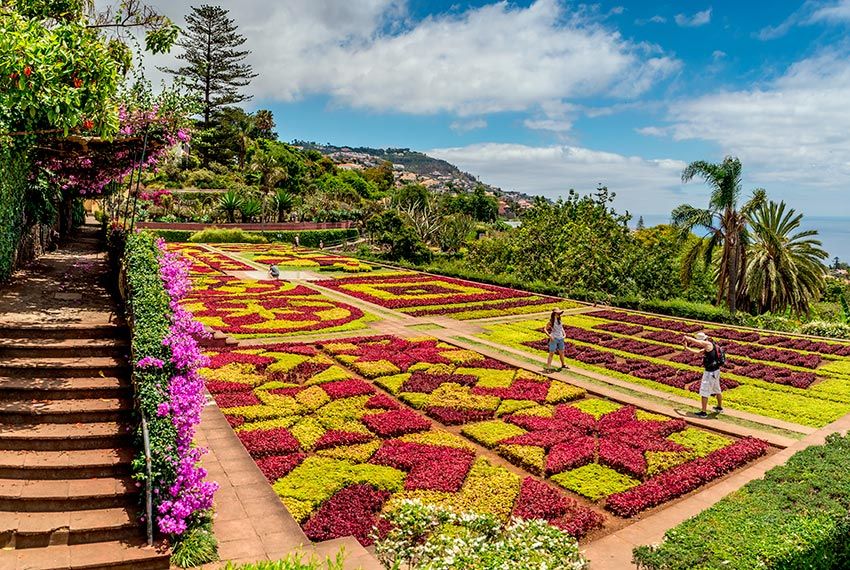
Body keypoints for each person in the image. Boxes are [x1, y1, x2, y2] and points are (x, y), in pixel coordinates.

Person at [684, 332, 723, 417]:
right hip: (716, 371)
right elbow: (698, 353)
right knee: (717, 389)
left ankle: (703, 412)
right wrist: (687, 348)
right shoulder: (711, 345)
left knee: (704, 391)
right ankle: (719, 407)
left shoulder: (708, 344)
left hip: (710, 373)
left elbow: (699, 343)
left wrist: (688, 338)